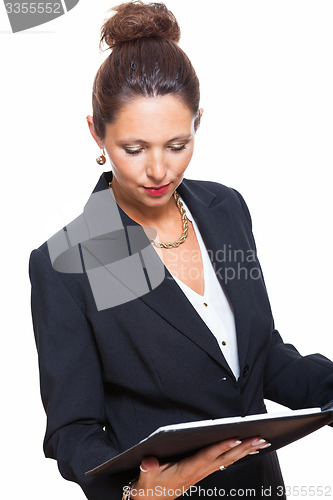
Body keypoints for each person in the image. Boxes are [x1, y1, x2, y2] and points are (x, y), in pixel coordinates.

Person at [29, 2, 333, 499]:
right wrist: (135, 490)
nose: (159, 171)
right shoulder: (73, 261)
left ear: (197, 124)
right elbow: (73, 431)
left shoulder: (225, 208)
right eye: (134, 148)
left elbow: (259, 357)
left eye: (177, 144)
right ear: (96, 133)